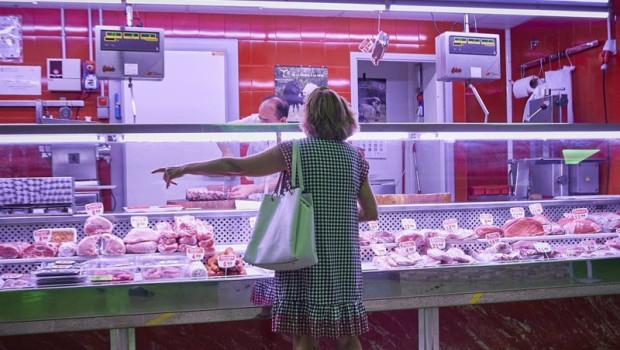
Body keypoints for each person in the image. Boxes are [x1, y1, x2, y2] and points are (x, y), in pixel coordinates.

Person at [153, 87, 378, 350]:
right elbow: (371, 212)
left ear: (309, 118)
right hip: (343, 261)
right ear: (345, 118)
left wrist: (184, 168)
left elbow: (236, 166)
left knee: (304, 336)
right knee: (347, 335)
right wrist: (337, 220)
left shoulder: (293, 151)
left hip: (301, 256)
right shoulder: (355, 157)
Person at [218, 95, 288, 199]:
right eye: (260, 118)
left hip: (279, 202)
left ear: (282, 121)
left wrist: (254, 188)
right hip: (255, 200)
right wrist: (227, 152)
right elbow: (221, 131)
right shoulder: (257, 120)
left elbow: (286, 179)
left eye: (266, 121)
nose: (261, 123)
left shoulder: (290, 140)